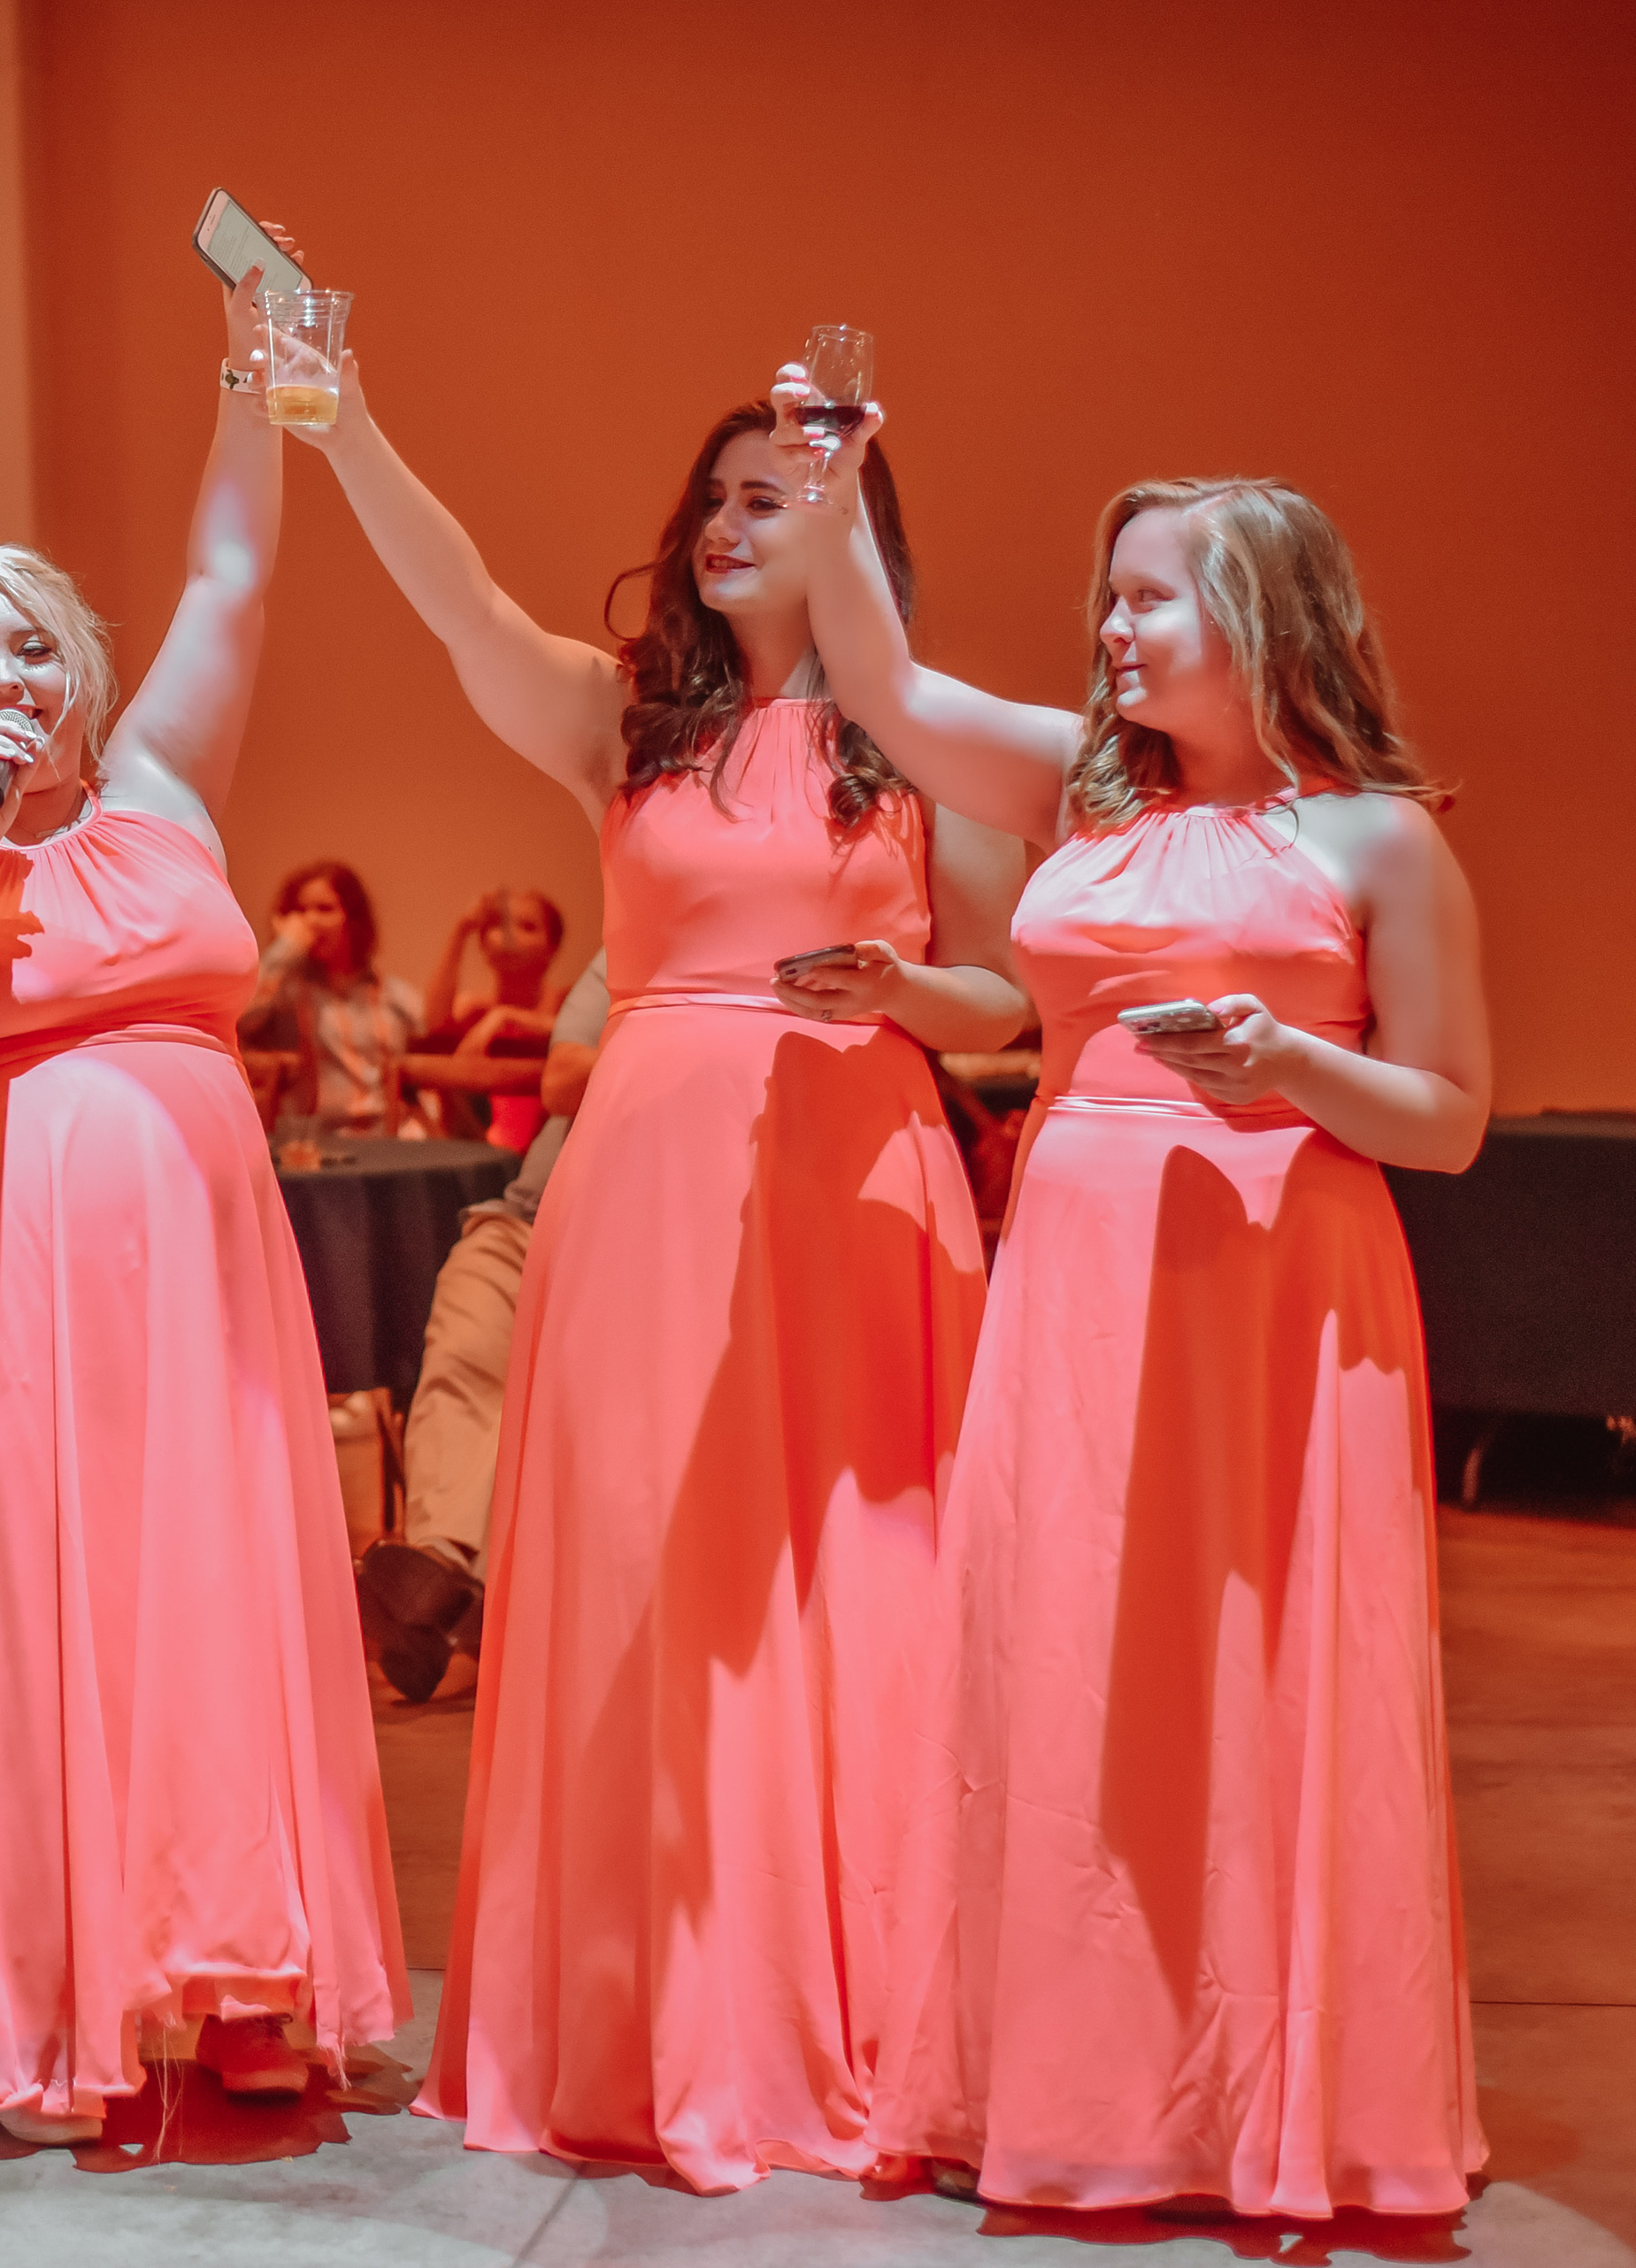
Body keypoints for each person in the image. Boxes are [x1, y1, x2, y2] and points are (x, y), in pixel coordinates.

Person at [296, 346, 1031, 2187]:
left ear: (848, 522)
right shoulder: (629, 726)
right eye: (712, 495)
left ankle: (865, 2010)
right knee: (647, 1575)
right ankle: (652, 2008)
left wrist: (904, 991)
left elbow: (1008, 996)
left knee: (859, 1581)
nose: (722, 522)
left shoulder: (923, 745)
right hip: (647, 1185)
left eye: (766, 495)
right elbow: (461, 604)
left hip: (855, 1178)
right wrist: (344, 418)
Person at [780, 379, 1489, 2217]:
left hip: (1280, 1280)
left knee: (1262, 1669)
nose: (1111, 625)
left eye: (1149, 596)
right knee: (1081, 1659)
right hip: (1082, 1277)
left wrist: (1289, 1063)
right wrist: (833, 480)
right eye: (1112, 594)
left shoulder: (1377, 840)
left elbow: (1452, 1117)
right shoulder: (1079, 795)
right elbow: (883, 686)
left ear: (1260, 615)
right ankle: (1084, 2084)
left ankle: (1273, 2099)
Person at [0, 248, 408, 2151]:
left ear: (81, 663)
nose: (5, 681)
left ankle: (232, 1987)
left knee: (204, 1598)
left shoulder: (164, 790)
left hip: (197, 1291)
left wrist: (251, 369)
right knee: (19, 1616)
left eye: (29, 647)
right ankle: (42, 2005)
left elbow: (230, 572)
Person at [359, 948, 608, 1703]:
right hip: (525, 1219)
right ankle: (445, 1579)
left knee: (541, 1386)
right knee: (465, 1344)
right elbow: (562, 1078)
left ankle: (444, 1587)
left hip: (636, 1237)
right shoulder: (622, 957)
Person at [241, 859, 426, 1135]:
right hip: (312, 1140)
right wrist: (285, 948)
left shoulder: (390, 993)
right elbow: (240, 1017)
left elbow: (433, 1033)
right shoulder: (285, 994)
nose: (310, 921)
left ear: (352, 917)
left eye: (324, 909)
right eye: (300, 911)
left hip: (387, 1140)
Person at [409, 887, 565, 1149]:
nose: (509, 937)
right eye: (498, 926)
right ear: (483, 944)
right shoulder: (472, 1010)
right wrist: (462, 931)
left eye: (527, 927)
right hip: (471, 1153)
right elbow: (433, 1023)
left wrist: (506, 1017)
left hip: (550, 1155)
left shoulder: (565, 1004)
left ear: (552, 947)